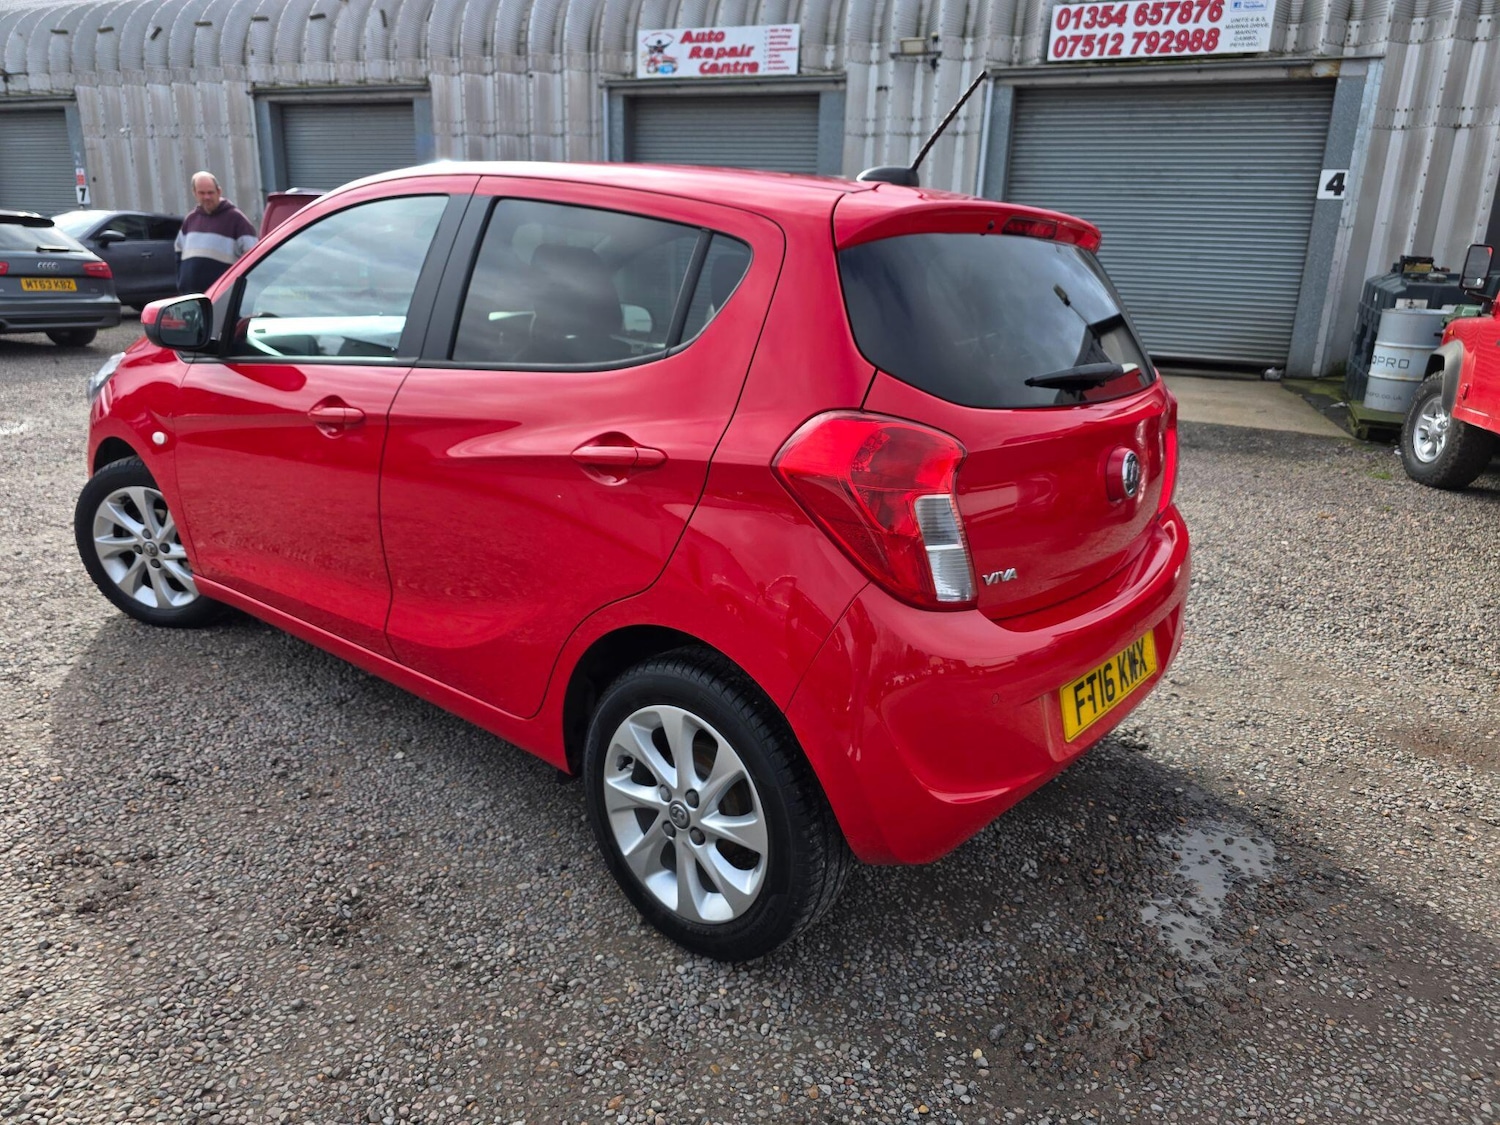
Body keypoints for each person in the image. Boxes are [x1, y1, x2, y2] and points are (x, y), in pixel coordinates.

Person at [174, 171, 257, 293]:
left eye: (210, 192)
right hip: (191, 297)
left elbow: (253, 256)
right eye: (201, 193)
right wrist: (181, 282)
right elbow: (178, 252)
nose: (206, 197)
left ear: (219, 191)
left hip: (221, 297)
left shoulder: (236, 220)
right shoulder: (191, 220)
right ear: (194, 193)